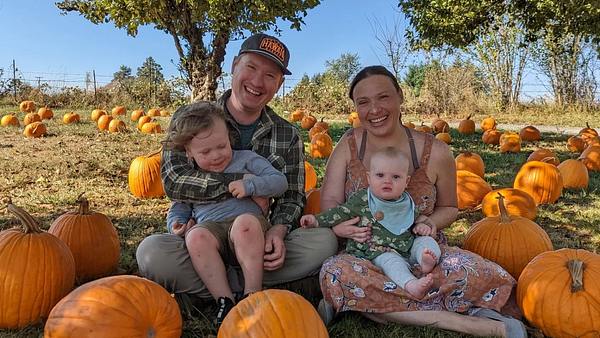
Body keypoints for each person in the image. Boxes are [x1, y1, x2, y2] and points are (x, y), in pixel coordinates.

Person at [317, 66, 527, 337]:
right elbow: (331, 201)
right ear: (356, 107)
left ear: (400, 96)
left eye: (383, 97)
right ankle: (464, 321)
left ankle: (365, 305)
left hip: (423, 251)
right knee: (336, 273)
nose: (374, 109)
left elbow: (450, 207)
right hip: (370, 257)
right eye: (363, 102)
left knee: (476, 272)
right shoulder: (348, 145)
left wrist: (429, 221)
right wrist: (339, 228)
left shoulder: (436, 151)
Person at [135, 33, 338, 314]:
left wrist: (278, 232)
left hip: (256, 235)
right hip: (204, 235)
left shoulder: (287, 133)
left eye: (270, 75)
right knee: (151, 253)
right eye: (251, 68)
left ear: (279, 85)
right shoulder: (191, 118)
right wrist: (248, 186)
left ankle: (220, 287)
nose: (257, 82)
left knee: (324, 241)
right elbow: (175, 182)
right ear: (233, 66)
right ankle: (257, 287)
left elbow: (291, 195)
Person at [162, 101, 288, 325]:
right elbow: (180, 204)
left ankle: (252, 295)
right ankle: (224, 299)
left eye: (221, 146)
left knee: (245, 224)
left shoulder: (247, 159)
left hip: (249, 227)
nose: (216, 156)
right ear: (189, 153)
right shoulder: (191, 177)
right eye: (205, 152)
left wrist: (251, 186)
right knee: (195, 237)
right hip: (211, 231)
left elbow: (280, 182)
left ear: (229, 137)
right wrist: (177, 223)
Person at [301, 147, 441, 299]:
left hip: (407, 245)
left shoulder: (406, 201)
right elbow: (340, 213)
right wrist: (316, 220)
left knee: (426, 241)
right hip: (379, 251)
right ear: (369, 178)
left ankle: (425, 260)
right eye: (380, 175)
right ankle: (411, 284)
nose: (387, 181)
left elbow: (415, 219)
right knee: (392, 263)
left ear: (406, 181)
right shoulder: (362, 200)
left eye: (396, 177)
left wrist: (422, 226)